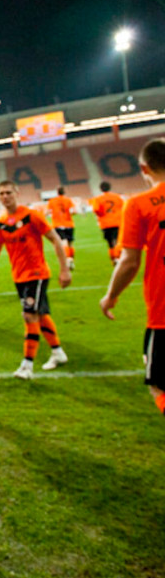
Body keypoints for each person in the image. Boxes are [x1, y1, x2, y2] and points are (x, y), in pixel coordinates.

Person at [100, 138, 165, 416]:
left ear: (144, 168)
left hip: (163, 313)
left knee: (159, 385)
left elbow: (129, 262)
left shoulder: (139, 204)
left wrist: (110, 296)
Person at [0, 181, 72, 379]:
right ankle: (57, 352)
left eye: (8, 192)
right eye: (1, 193)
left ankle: (27, 365)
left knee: (29, 315)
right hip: (19, 276)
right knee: (39, 314)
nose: (5, 196)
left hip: (37, 274)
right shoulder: (1, 222)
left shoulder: (31, 216)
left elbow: (55, 239)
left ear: (17, 193)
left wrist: (64, 269)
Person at [90, 181, 125, 264]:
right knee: (117, 240)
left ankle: (114, 259)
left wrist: (101, 215)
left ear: (101, 189)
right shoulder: (117, 197)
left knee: (110, 242)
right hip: (117, 222)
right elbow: (124, 207)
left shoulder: (98, 199)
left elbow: (96, 210)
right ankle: (119, 257)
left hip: (105, 223)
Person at [46, 186, 75, 269]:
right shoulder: (68, 200)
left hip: (58, 224)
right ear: (64, 192)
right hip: (69, 224)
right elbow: (73, 211)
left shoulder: (52, 201)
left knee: (63, 241)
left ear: (57, 192)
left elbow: (48, 212)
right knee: (70, 243)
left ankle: (68, 259)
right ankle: (71, 259)